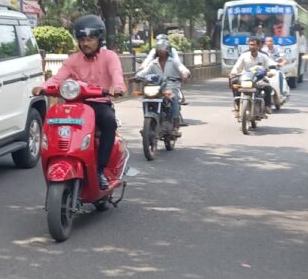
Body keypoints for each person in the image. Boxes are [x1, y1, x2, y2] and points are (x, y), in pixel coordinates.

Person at [32, 15, 126, 190]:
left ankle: (99, 170)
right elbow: (58, 78)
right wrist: (43, 87)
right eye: (82, 39)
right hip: (75, 106)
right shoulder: (72, 60)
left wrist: (117, 87)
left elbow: (116, 74)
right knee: (54, 123)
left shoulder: (110, 56)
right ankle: (60, 160)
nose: (85, 44)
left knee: (109, 122)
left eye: (90, 39)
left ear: (99, 39)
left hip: (100, 104)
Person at [135, 41, 190, 136]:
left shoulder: (173, 62)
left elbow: (183, 69)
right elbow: (145, 71)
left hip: (171, 88)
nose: (161, 51)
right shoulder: (153, 63)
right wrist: (136, 77)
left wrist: (185, 74)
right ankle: (148, 123)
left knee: (174, 100)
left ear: (167, 51)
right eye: (159, 49)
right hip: (157, 88)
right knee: (146, 99)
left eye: (163, 49)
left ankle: (175, 125)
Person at [229, 36, 276, 115]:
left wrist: (270, 72)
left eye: (254, 45)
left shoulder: (263, 56)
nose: (252, 47)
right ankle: (237, 105)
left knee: (268, 87)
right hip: (245, 78)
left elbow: (270, 66)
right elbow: (237, 67)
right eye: (250, 45)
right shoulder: (244, 56)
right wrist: (232, 73)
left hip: (259, 80)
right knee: (234, 83)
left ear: (258, 46)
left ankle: (267, 106)